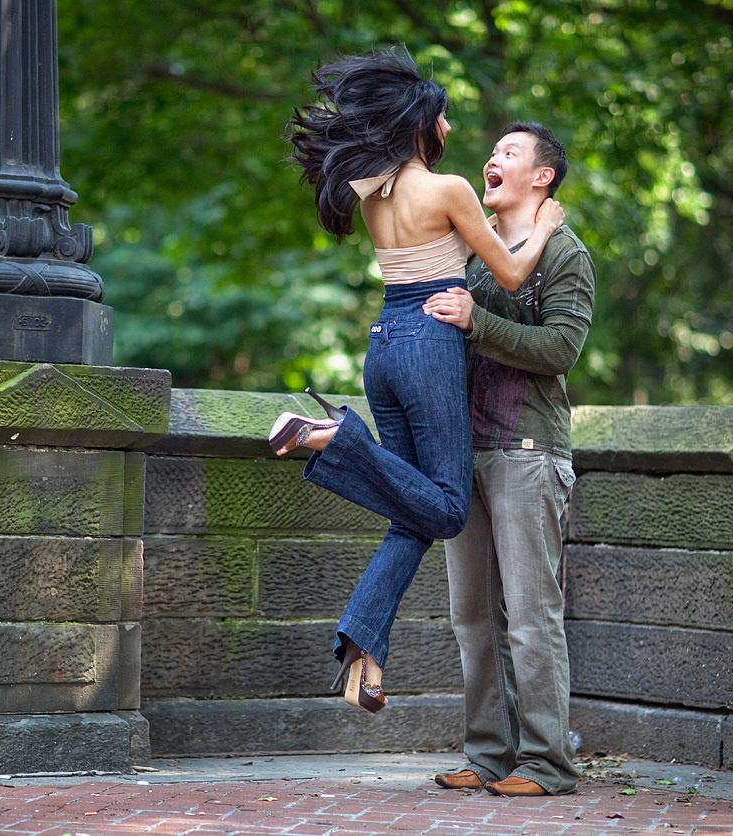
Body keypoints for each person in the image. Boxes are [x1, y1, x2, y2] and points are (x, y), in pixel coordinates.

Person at [274, 48, 564, 715]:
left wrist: (487, 231)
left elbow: (443, 251)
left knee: (412, 514)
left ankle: (363, 654)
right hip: (431, 342)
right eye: (446, 119)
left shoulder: (373, 190)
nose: (453, 131)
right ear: (422, 123)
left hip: (383, 344)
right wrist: (543, 227)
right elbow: (512, 276)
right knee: (449, 506)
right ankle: (333, 437)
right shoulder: (449, 188)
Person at [423, 123, 596, 796]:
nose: (492, 160)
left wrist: (477, 322)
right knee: (472, 618)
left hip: (528, 452)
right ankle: (489, 754)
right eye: (492, 152)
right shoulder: (476, 253)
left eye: (510, 153)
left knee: (530, 619)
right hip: (461, 457)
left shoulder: (566, 254)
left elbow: (561, 350)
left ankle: (547, 764)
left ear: (542, 176)